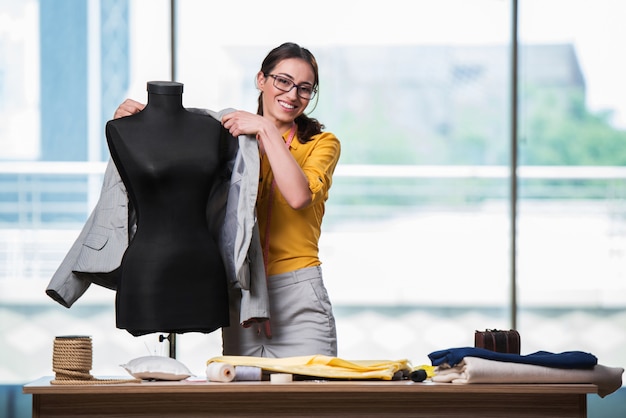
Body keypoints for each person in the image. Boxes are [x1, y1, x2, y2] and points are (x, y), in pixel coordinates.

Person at [114, 42, 341, 358]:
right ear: (261, 79)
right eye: (283, 81)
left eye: (305, 89)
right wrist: (139, 121)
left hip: (298, 293)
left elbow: (298, 196)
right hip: (241, 292)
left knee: (313, 405)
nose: (292, 95)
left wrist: (265, 128)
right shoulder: (226, 138)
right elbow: (170, 156)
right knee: (243, 405)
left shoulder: (322, 144)